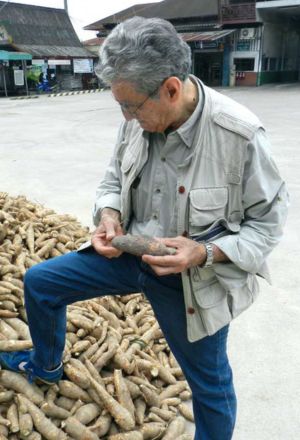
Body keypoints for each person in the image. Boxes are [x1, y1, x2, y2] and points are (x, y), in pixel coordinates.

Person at [0, 17, 288, 440]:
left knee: (210, 386)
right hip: (127, 254)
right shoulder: (138, 118)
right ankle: (46, 364)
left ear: (171, 89)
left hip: (191, 279)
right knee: (41, 282)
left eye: (131, 106)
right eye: (120, 106)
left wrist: (204, 252)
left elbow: (267, 224)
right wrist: (108, 215)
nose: (126, 116)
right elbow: (112, 179)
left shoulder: (239, 136)